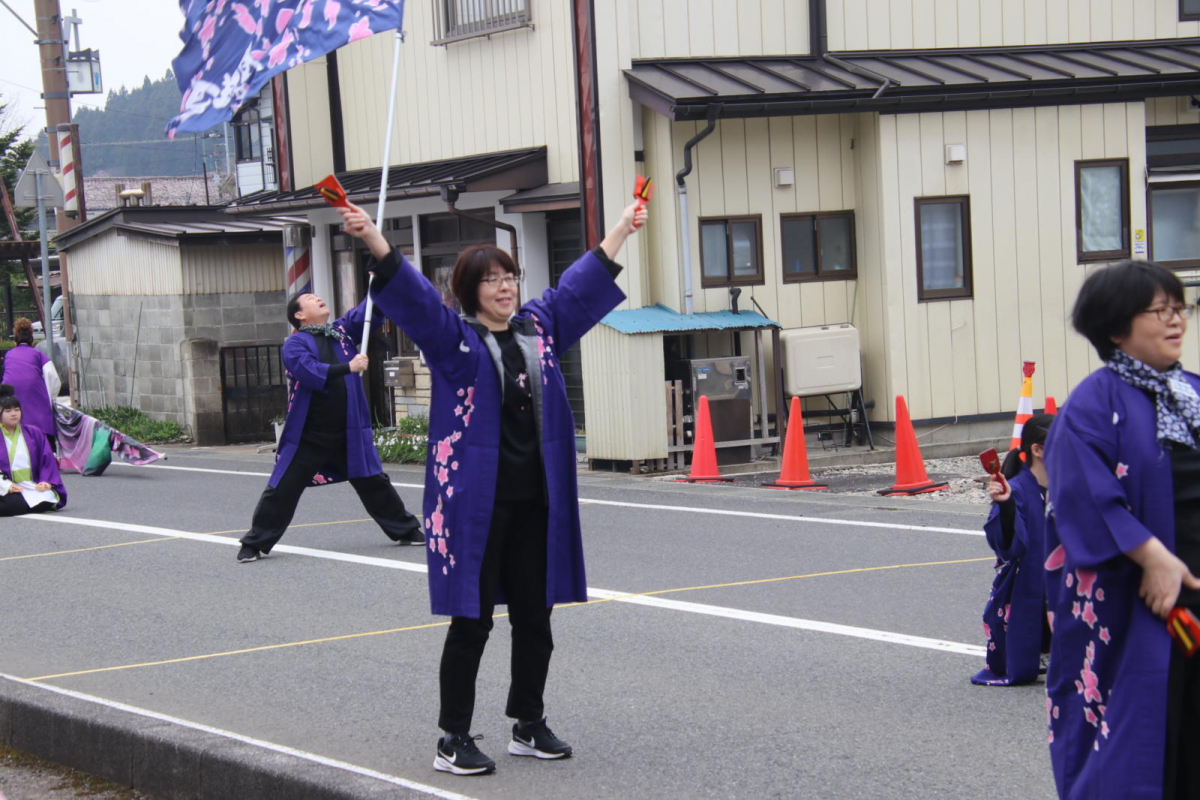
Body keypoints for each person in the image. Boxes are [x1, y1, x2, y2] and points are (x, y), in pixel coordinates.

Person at [337, 197, 646, 776]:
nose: (504, 288)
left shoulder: (538, 329)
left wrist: (622, 229)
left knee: (536, 615)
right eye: (491, 280)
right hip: (474, 506)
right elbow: (417, 301)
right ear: (469, 289)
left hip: (535, 501)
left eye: (509, 277)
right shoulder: (454, 341)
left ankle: (528, 723)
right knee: (471, 621)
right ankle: (452, 737)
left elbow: (578, 288)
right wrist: (375, 239)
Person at [1045, 260, 1200, 799]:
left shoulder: (1193, 391)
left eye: (1179, 307)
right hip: (1136, 595)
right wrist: (1153, 557)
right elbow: (1082, 496)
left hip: (1195, 585)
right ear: (1116, 328)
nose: (1176, 320)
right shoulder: (1094, 402)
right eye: (1160, 310)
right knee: (1139, 723)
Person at [236, 289, 424, 562]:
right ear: (299, 315)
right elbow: (307, 371)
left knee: (374, 481)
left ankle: (406, 530)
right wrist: (348, 367)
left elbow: (366, 312)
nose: (317, 298)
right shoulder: (295, 343)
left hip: (350, 429)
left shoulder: (341, 332)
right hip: (311, 432)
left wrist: (383, 282)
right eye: (309, 298)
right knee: (283, 487)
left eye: (317, 296)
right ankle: (254, 543)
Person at [971, 413, 1053, 687]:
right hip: (1030, 580)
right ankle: (1043, 650)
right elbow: (1007, 546)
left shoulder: (1070, 485)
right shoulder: (1016, 489)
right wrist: (1006, 506)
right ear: (1038, 450)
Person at [0, 384, 66, 517]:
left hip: (30, 484)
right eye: (7, 411)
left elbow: (47, 460)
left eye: (16, 410)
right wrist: (7, 486)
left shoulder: (33, 432)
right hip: (5, 486)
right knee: (13, 503)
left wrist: (45, 481)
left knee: (47, 497)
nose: (13, 414)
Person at [0, 318, 60, 449]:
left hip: (11, 402)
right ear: (32, 341)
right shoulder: (38, 355)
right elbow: (53, 378)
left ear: (15, 342)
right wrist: (50, 397)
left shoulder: (9, 356)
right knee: (44, 430)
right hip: (38, 408)